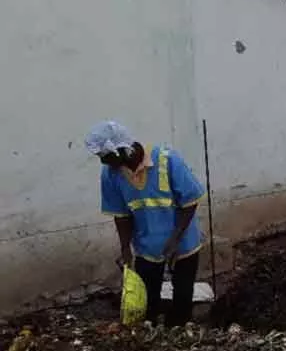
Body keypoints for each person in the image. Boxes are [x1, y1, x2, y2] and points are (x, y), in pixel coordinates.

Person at [86, 121, 206, 326]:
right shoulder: (111, 175)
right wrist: (125, 248)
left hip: (182, 241)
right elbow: (121, 215)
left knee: (183, 295)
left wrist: (175, 239)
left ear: (122, 151)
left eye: (105, 157)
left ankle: (178, 332)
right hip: (146, 245)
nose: (103, 163)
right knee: (147, 298)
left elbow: (189, 202)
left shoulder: (168, 160)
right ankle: (151, 336)